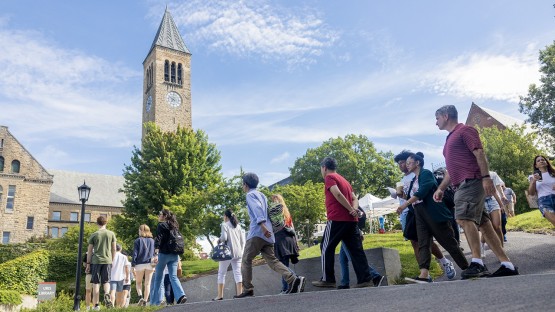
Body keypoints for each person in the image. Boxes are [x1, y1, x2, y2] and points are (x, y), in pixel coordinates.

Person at [433, 105, 518, 278]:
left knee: (463, 218)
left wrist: (486, 177)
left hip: (470, 181)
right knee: (485, 225)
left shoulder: (465, 131)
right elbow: (450, 170)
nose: (436, 123)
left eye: (437, 118)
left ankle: (477, 263)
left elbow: (479, 153)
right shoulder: (449, 141)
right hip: (461, 184)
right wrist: (441, 188)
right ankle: (507, 264)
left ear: (446, 116)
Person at [396, 152, 468, 283]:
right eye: (405, 163)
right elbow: (414, 197)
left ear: (417, 163)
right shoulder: (413, 180)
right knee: (423, 243)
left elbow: (423, 191)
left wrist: (405, 204)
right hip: (419, 213)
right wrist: (403, 198)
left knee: (448, 241)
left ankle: (466, 267)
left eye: (409, 163)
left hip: (432, 212)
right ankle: (424, 274)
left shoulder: (426, 173)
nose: (406, 165)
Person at [235, 173, 305, 298]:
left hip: (258, 232)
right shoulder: (261, 195)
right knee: (272, 260)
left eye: (242, 184)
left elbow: (257, 210)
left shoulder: (250, 195)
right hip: (269, 235)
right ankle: (293, 279)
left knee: (246, 259)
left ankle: (248, 289)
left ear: (245, 184)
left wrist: (262, 226)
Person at [312, 157, 374, 288]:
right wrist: (354, 210)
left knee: (325, 247)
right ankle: (365, 280)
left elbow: (337, 194)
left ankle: (328, 279)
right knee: (356, 250)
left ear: (324, 167)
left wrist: (351, 209)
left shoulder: (329, 178)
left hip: (337, 219)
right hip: (351, 221)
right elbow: (354, 198)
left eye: (321, 169)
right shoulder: (345, 180)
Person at [338, 206, 385, 289]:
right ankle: (344, 283)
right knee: (342, 259)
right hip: (348, 229)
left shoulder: (343, 199)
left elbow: (351, 215)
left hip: (347, 230)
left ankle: (375, 275)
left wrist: (358, 231)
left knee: (352, 257)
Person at [150, 209, 187, 305]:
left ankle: (155, 302)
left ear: (165, 216)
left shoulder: (161, 225)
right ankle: (181, 295)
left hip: (163, 254)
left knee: (158, 278)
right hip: (174, 255)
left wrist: (156, 253)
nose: (159, 216)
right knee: (173, 276)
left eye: (160, 214)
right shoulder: (174, 226)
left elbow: (158, 239)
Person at [268, 194, 300, 294]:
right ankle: (289, 286)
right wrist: (296, 241)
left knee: (283, 266)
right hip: (289, 239)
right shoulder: (286, 212)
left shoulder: (274, 213)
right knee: (284, 264)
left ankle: (289, 285)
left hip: (281, 239)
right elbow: (292, 228)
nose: (273, 202)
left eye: (274, 199)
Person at [86, 216, 117, 310]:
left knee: (96, 283)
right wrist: (112, 260)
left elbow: (90, 251)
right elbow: (114, 249)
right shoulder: (111, 234)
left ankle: (96, 305)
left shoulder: (94, 235)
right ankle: (107, 294)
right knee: (106, 281)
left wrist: (88, 264)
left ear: (97, 223)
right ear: (106, 223)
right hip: (107, 260)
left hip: (96, 261)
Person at [214, 209, 245, 300]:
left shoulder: (224, 225)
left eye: (224, 216)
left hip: (227, 253)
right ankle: (239, 294)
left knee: (221, 273)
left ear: (226, 216)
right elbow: (242, 241)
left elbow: (224, 238)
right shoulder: (238, 226)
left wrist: (219, 240)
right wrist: (241, 252)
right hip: (238, 253)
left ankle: (220, 295)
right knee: (237, 273)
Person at [481, 171, 506, 253]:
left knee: (497, 226)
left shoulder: (490, 175)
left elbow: (495, 191)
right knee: (488, 227)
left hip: (493, 200)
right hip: (481, 202)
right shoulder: (472, 175)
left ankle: (501, 250)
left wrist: (501, 205)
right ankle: (482, 245)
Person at [528, 155, 555, 226]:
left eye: (543, 160)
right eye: (538, 160)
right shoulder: (532, 177)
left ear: (546, 162)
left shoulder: (553, 173)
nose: (541, 161)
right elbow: (531, 193)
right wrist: (534, 181)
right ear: (536, 165)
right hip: (544, 202)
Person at [132, 224, 155, 306]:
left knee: (138, 283)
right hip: (150, 263)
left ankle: (140, 296)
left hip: (139, 264)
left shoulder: (138, 240)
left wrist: (133, 265)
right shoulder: (152, 241)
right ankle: (145, 300)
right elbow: (154, 253)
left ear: (141, 231)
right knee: (147, 283)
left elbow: (135, 254)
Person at [109, 244, 130, 308]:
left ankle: (112, 305)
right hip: (121, 277)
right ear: (120, 249)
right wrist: (127, 277)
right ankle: (118, 307)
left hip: (112, 277)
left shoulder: (111, 255)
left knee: (112, 291)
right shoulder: (124, 256)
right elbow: (126, 267)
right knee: (119, 293)